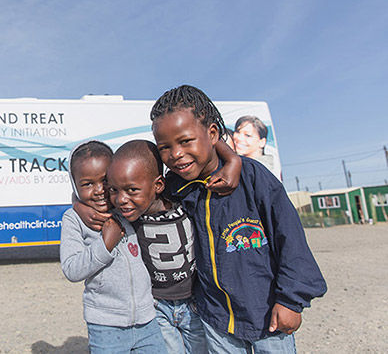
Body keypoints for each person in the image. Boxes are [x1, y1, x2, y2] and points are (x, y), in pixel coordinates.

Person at [150, 85, 327, 352]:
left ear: (212, 134)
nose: (175, 154)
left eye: (185, 141)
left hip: (268, 317)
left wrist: (291, 301)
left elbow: (290, 239)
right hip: (216, 319)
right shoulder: (177, 187)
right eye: (165, 147)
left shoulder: (253, 178)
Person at [74, 140, 240, 354]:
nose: (122, 198)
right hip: (157, 306)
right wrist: (78, 205)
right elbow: (91, 194)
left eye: (132, 189)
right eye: (115, 189)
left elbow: (209, 144)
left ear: (158, 186)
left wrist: (233, 159)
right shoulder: (129, 213)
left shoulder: (177, 192)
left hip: (195, 300)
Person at [59, 140, 167, 354]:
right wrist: (105, 244)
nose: (99, 191)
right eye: (87, 184)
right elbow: (71, 269)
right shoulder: (73, 219)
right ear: (75, 186)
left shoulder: (127, 207)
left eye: (105, 181)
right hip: (105, 324)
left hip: (148, 319)